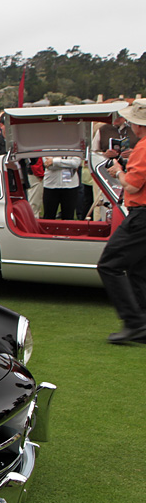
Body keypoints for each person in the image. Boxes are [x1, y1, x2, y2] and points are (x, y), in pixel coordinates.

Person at [96, 98, 146, 344]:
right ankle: (142, 322)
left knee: (109, 264)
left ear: (138, 125)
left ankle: (134, 322)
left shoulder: (143, 148)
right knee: (139, 270)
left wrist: (118, 172)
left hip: (142, 215)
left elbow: (133, 187)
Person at [41, 155, 82, 220]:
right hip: (51, 185)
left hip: (70, 186)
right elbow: (48, 165)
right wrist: (67, 164)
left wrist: (54, 161)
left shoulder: (73, 147)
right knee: (49, 217)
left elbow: (75, 163)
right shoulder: (48, 146)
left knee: (68, 218)